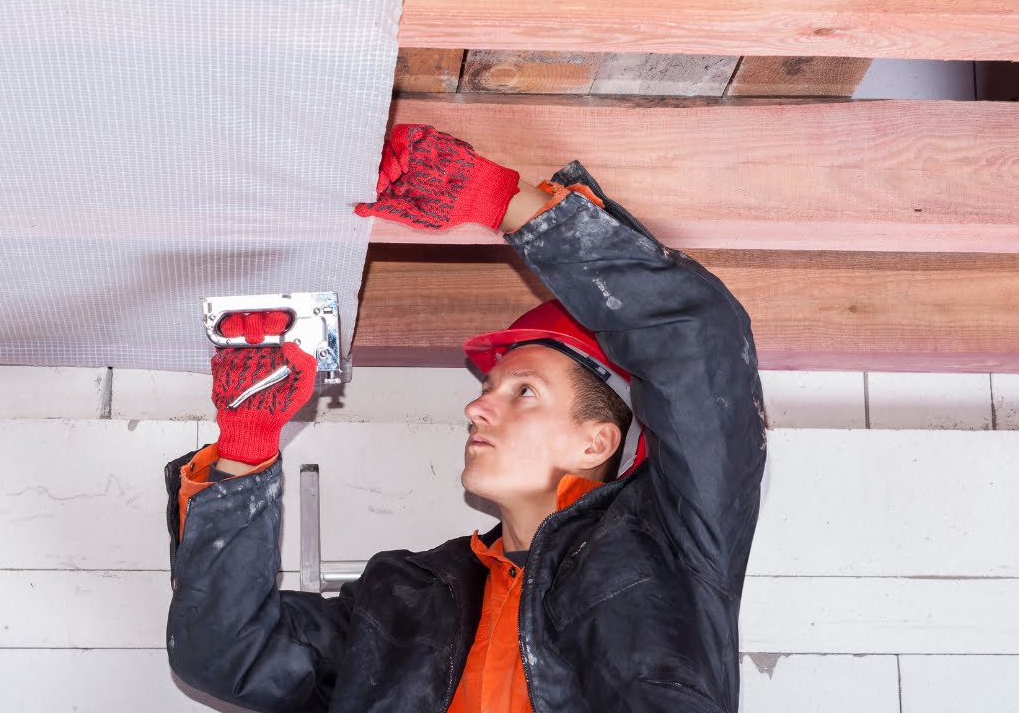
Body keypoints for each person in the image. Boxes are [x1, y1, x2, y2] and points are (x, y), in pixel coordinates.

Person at [164, 125, 768, 712]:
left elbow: (698, 338)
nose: (476, 406)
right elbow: (227, 654)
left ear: (596, 442)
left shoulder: (668, 548)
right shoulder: (407, 598)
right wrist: (245, 444)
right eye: (489, 388)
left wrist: (500, 200)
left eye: (524, 391)